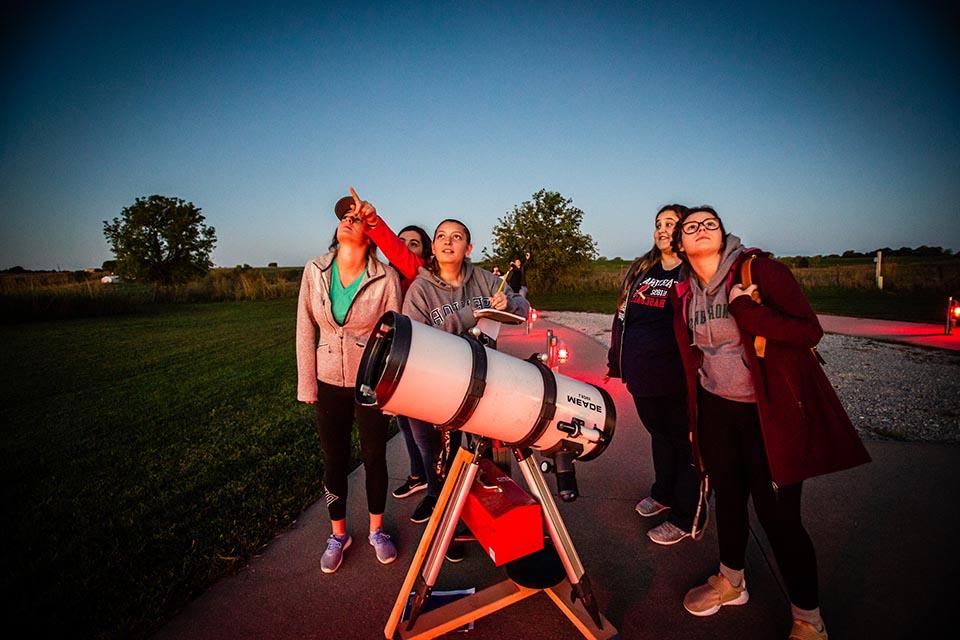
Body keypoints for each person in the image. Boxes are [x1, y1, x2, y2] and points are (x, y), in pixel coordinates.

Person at [668, 206, 870, 639]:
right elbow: (693, 356)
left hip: (765, 411)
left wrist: (749, 312)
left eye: (710, 224)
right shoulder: (683, 291)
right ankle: (731, 580)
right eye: (691, 227)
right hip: (716, 408)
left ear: (723, 235)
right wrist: (694, 417)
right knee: (729, 498)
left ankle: (808, 616)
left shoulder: (759, 271)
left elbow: (808, 331)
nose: (701, 230)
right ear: (680, 245)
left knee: (779, 516)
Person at [401, 219, 530, 538]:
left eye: (456, 237)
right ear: (433, 247)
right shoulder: (421, 289)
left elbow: (522, 310)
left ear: (467, 248)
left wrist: (507, 302)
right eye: (441, 236)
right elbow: (417, 338)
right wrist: (473, 315)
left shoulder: (486, 280)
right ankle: (437, 501)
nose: (448, 242)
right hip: (436, 383)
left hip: (482, 380)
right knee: (435, 452)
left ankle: (486, 514)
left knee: (482, 452)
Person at [296, 194, 403, 574]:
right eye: (345, 217)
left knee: (374, 456)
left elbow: (397, 337)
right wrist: (307, 384)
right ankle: (337, 534)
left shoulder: (385, 277)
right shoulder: (315, 270)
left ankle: (377, 530)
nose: (348, 221)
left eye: (357, 219)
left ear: (371, 234)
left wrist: (393, 390)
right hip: (328, 380)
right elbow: (304, 328)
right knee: (334, 458)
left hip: (370, 381)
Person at [605, 204, 702, 545]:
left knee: (687, 445)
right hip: (643, 375)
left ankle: (687, 514)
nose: (662, 229)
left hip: (677, 378)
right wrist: (617, 361)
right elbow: (622, 317)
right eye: (658, 223)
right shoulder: (643, 269)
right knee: (659, 436)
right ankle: (663, 493)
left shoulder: (691, 275)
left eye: (671, 223)